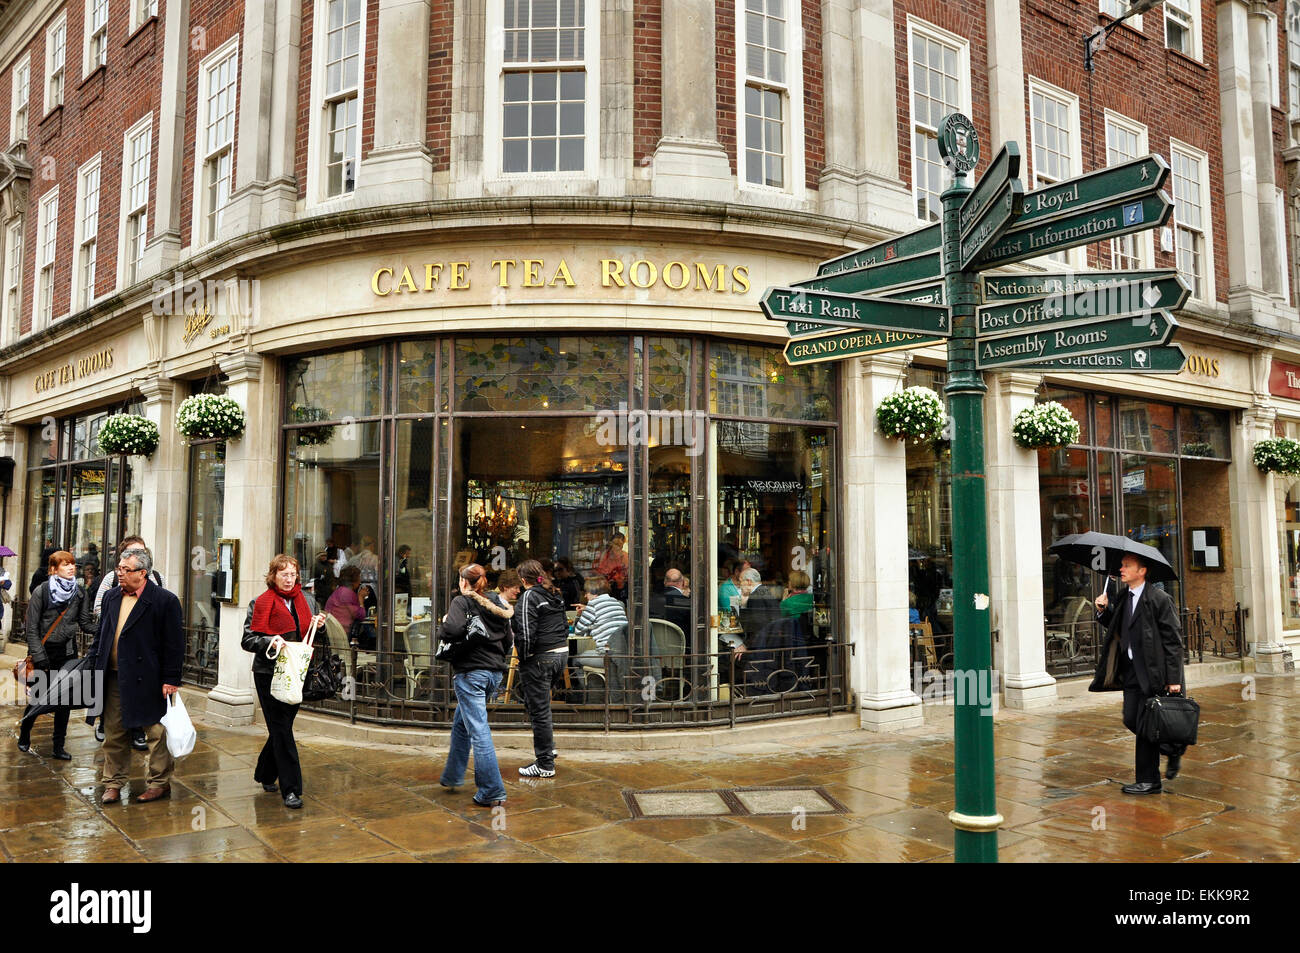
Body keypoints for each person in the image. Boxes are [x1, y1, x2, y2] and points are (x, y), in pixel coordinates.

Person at [85, 548, 185, 804]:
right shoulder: (110, 597)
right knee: (114, 732)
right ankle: (113, 783)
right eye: (119, 568)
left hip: (150, 679)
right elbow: (102, 635)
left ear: (142, 573)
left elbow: (174, 644)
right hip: (115, 677)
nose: (119, 573)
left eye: (125, 570)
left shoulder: (165, 601)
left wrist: (171, 679)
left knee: (156, 734)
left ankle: (159, 783)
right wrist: (94, 663)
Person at [1090, 554, 1185, 795]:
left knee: (1145, 724)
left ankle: (1149, 780)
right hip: (1131, 671)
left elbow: (1173, 642)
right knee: (1131, 719)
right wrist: (1103, 611)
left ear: (1142, 571)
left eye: (1126, 566)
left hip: (1155, 673)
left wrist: (1174, 680)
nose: (1121, 569)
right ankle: (1171, 747)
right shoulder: (1124, 597)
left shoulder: (1160, 599)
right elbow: (1119, 627)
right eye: (1121, 565)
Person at [241, 554, 328, 809]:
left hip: (296, 671)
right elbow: (248, 640)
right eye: (284, 574)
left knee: (282, 727)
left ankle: (265, 773)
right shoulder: (260, 602)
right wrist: (270, 641)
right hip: (268, 673)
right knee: (281, 729)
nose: (289, 580)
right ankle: (291, 789)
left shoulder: (309, 601)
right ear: (273, 576)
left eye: (293, 574)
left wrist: (320, 626)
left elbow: (315, 637)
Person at [438, 563, 515, 807]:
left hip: (471, 674)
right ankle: (452, 775)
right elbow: (509, 640)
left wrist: (445, 622)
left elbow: (451, 630)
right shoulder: (497, 602)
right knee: (463, 723)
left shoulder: (462, 602)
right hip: (493, 674)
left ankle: (492, 790)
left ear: (463, 582)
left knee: (479, 731)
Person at [17, 550, 96, 758]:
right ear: (53, 569)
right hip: (43, 653)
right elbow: (31, 628)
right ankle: (25, 732)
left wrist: (107, 626)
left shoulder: (80, 593)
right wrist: (40, 656)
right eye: (65, 564)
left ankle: (58, 746)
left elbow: (85, 624)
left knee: (64, 701)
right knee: (39, 698)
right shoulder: (42, 591)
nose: (71, 567)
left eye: (72, 564)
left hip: (68, 654)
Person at [513, 559, 568, 778]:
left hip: (540, 658)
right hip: (560, 655)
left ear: (523, 579)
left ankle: (545, 764)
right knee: (542, 706)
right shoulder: (554, 594)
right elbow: (564, 625)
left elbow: (525, 632)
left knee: (539, 711)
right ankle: (549, 748)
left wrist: (524, 658)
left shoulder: (529, 596)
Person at [571, 575, 628, 671]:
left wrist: (579, 614)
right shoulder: (616, 603)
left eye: (586, 592)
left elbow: (578, 630)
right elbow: (603, 626)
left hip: (607, 655)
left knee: (575, 659)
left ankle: (588, 686)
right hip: (624, 654)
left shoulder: (593, 604)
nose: (585, 596)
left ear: (594, 593)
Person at [324, 564, 369, 646]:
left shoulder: (340, 591)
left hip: (334, 632)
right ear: (353, 581)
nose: (360, 582)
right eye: (359, 579)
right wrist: (360, 598)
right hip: (342, 634)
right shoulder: (347, 594)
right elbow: (361, 615)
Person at [594, 533, 628, 601]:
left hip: (621, 589)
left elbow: (628, 574)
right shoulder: (605, 555)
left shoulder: (626, 557)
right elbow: (599, 572)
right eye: (615, 544)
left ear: (622, 545)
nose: (617, 547)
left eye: (619, 544)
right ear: (611, 544)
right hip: (606, 589)